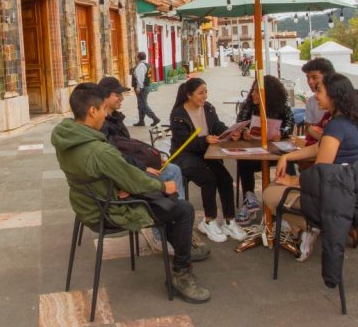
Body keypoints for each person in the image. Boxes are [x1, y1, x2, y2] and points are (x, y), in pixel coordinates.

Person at [51, 83, 211, 304]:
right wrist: (163, 186)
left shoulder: (66, 138)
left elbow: (104, 173)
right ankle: (181, 273)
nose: (105, 117)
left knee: (167, 206)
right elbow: (134, 180)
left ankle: (179, 247)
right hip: (110, 210)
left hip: (88, 203)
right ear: (92, 111)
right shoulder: (99, 150)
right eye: (103, 111)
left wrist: (116, 184)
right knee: (182, 209)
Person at [264, 73, 358, 260]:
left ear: (334, 95)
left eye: (319, 91)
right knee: (281, 188)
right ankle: (303, 228)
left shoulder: (336, 126)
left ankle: (309, 225)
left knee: (270, 194)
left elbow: (320, 172)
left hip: (332, 196)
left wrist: (292, 180)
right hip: (349, 191)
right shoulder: (351, 121)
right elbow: (320, 147)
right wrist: (288, 157)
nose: (315, 95)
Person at [168, 78, 244, 243]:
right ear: (189, 95)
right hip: (184, 156)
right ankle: (208, 220)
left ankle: (229, 220)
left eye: (206, 92)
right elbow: (183, 142)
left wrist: (230, 133)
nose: (205, 96)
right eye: (200, 93)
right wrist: (205, 140)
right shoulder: (178, 115)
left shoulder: (208, 108)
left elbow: (217, 126)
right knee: (209, 179)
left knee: (226, 179)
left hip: (206, 152)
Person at [232, 75, 296, 199]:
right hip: (253, 152)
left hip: (275, 151)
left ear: (269, 93)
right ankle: (249, 199)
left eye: (257, 91)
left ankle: (288, 196)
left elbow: (290, 124)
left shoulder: (282, 105)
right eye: (253, 90)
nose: (252, 94)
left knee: (288, 160)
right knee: (242, 160)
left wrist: (281, 133)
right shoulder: (248, 105)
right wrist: (245, 132)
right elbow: (239, 123)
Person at [301, 58, 336, 146]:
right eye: (308, 78)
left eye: (314, 77)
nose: (310, 82)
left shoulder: (341, 105)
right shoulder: (311, 101)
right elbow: (308, 129)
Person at [131, 52, 160, 127]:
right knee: (140, 105)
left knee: (143, 105)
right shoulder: (148, 65)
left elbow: (140, 78)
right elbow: (149, 76)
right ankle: (141, 121)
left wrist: (138, 88)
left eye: (136, 57)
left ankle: (155, 118)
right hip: (146, 86)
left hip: (142, 88)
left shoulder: (141, 66)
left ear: (138, 58)